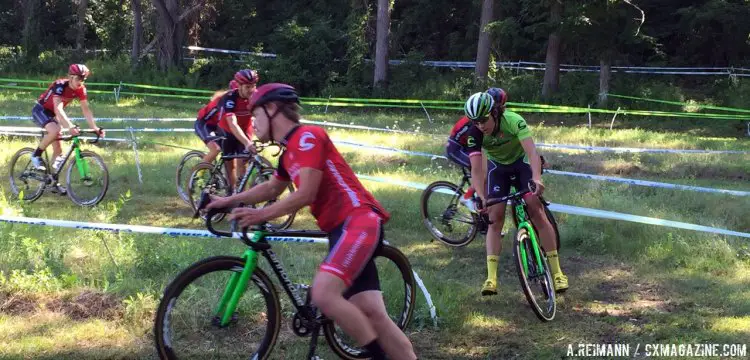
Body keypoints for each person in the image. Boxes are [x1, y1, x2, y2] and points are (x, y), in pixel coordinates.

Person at [206, 83, 417, 360]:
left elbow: (307, 193)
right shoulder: (288, 152)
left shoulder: (307, 137)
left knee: (323, 294)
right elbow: (272, 189)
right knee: (373, 313)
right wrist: (226, 201)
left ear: (271, 109)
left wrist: (260, 215)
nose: (253, 123)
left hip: (357, 221)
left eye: (255, 115)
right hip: (342, 229)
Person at [463, 91, 568, 296]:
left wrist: (537, 178)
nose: (481, 126)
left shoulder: (513, 121)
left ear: (494, 112)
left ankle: (557, 272)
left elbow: (532, 153)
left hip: (522, 164)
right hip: (498, 168)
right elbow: (476, 170)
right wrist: (482, 196)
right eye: (476, 122)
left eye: (484, 120)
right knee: (495, 217)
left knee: (534, 207)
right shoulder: (474, 133)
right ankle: (491, 278)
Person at [31, 64, 104, 182]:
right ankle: (36, 155)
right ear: (70, 77)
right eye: (78, 78)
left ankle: (53, 182)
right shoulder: (60, 85)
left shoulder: (81, 89)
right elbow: (58, 109)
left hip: (53, 114)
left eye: (83, 79)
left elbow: (86, 109)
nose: (81, 81)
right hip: (40, 110)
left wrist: (94, 127)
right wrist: (69, 126)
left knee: (58, 152)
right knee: (55, 130)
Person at [214, 69, 258, 190]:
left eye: (253, 86)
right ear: (238, 86)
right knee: (230, 166)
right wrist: (247, 143)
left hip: (245, 129)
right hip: (227, 131)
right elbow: (232, 124)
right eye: (248, 87)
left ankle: (242, 196)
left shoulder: (256, 96)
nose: (251, 90)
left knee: (243, 162)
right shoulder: (229, 98)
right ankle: (231, 191)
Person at [193, 80, 240, 164]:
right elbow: (206, 118)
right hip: (204, 123)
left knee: (230, 150)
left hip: (217, 125)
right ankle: (197, 173)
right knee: (215, 149)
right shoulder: (220, 101)